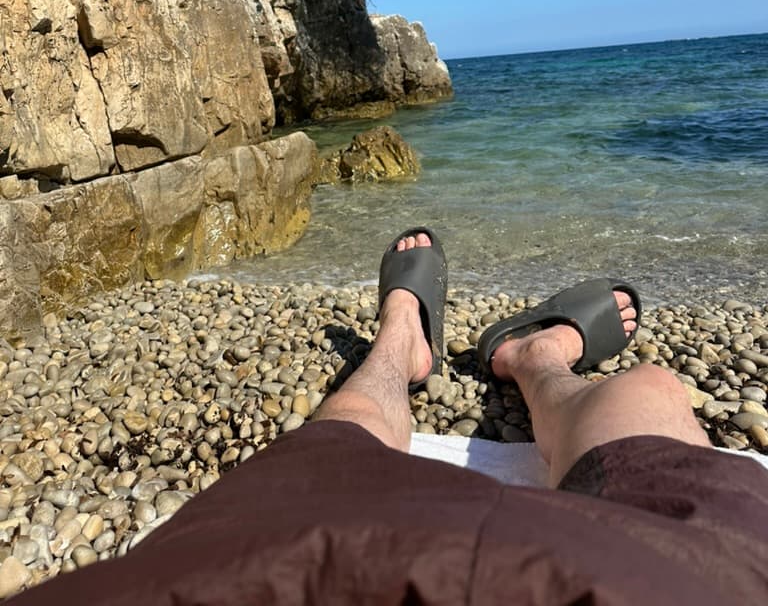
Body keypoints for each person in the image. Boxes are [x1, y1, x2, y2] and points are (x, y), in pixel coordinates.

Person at [10, 229, 768, 605]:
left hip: (275, 570)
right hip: (668, 580)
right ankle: (534, 363)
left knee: (338, 439)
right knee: (657, 403)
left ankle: (400, 342)